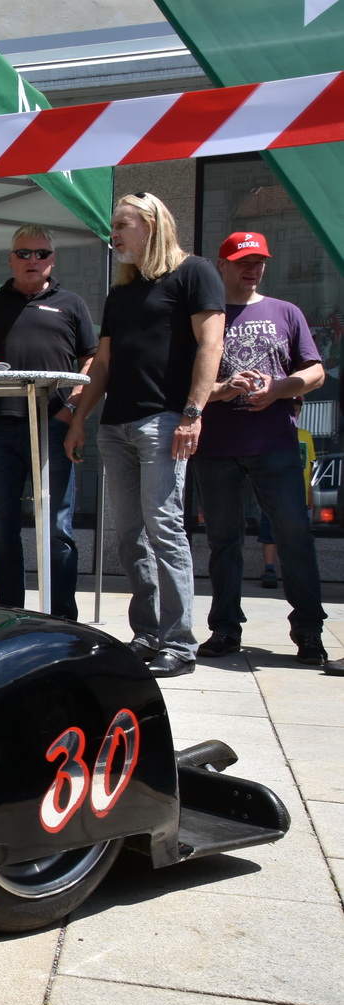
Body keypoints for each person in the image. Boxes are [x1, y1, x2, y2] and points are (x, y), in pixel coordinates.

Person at [65, 192, 225, 678]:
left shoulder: (194, 272)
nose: (113, 235)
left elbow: (211, 344)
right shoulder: (122, 291)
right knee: (130, 535)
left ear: (151, 225)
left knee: (164, 528)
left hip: (164, 420)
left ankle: (179, 643)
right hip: (116, 425)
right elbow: (104, 363)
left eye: (121, 225)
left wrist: (192, 413)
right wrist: (80, 418)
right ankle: (148, 633)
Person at [192, 231, 328, 664]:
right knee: (223, 542)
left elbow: (316, 372)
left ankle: (308, 631)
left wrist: (279, 389)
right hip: (216, 447)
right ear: (223, 265)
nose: (252, 269)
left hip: (275, 444)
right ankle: (225, 629)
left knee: (294, 536)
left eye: (259, 262)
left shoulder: (285, 311)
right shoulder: (205, 316)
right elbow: (187, 383)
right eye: (243, 262)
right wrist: (222, 390)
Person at [0, 225, 98, 620]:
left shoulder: (71, 304)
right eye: (23, 253)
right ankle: (9, 617)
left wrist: (70, 411)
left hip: (54, 428)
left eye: (41, 253)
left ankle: (62, 620)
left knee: (57, 529)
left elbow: (92, 361)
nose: (32, 260)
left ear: (52, 260)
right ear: (10, 259)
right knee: (2, 528)